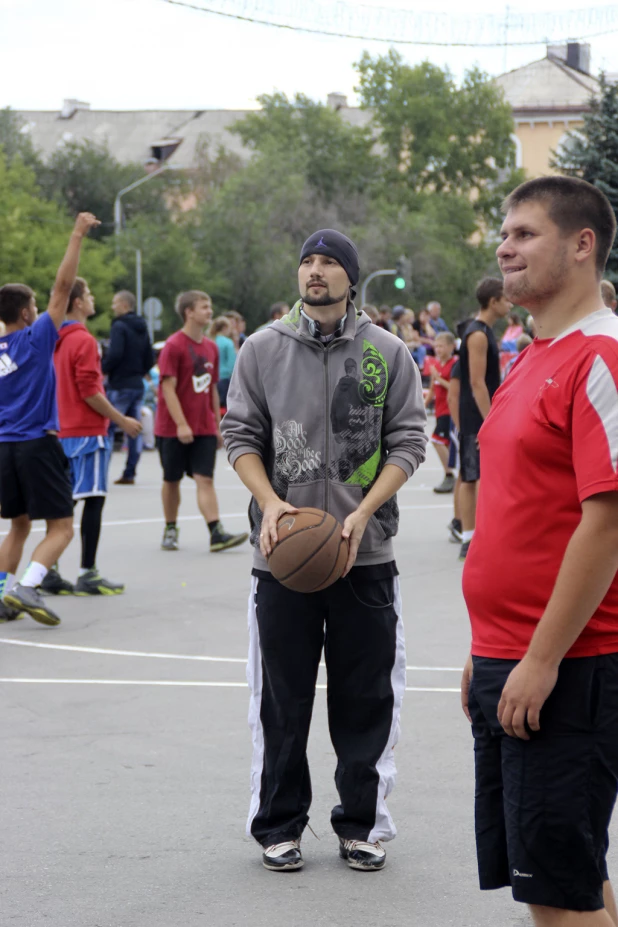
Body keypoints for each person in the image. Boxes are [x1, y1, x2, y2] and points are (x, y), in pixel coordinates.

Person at [221, 228, 427, 873]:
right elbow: (239, 434)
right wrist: (271, 503)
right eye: (308, 261)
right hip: (284, 555)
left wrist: (366, 511)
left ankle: (361, 824)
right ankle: (279, 825)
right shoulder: (260, 349)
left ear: (350, 278)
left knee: (366, 697)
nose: (315, 271)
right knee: (282, 699)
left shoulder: (388, 352)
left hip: (365, 556)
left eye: (329, 263)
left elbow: (409, 441)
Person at [461, 175, 618, 927]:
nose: (504, 245)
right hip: (511, 656)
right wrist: (485, 648)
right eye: (505, 232)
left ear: (582, 245)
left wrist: (542, 657)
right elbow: (517, 513)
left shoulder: (601, 358)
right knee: (566, 882)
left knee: (559, 900)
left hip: (570, 668)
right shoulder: (531, 354)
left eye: (525, 233)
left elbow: (609, 521)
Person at [0, 212, 100, 626]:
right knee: (61, 527)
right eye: (36, 308)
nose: (43, 311)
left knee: (19, 525)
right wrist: (76, 235)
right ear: (27, 314)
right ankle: (27, 585)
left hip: (4, 447)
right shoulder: (36, 338)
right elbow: (62, 288)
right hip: (37, 443)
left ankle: (3, 595)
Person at [40, 277, 142, 597]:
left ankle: (48, 569)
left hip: (59, 429)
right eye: (89, 294)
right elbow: (89, 391)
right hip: (86, 431)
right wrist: (121, 420)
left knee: (63, 502)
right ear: (79, 302)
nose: (94, 298)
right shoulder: (83, 340)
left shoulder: (52, 338)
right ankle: (88, 572)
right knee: (94, 500)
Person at [155, 290, 248, 554]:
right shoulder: (173, 346)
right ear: (189, 312)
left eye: (209, 306)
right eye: (204, 307)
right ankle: (170, 528)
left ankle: (216, 532)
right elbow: (168, 389)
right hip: (173, 428)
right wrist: (181, 424)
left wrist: (218, 423)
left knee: (204, 478)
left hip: (203, 426)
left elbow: (212, 389)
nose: (210, 311)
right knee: (171, 479)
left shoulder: (211, 347)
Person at [457, 278, 511, 560]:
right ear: (493, 302)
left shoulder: (485, 331)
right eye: (506, 299)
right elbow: (477, 383)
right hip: (476, 415)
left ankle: (482, 533)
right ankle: (468, 537)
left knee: (484, 474)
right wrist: (490, 421)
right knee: (471, 474)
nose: (510, 303)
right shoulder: (477, 334)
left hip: (481, 414)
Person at [102, 290, 154, 485]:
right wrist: (139, 371)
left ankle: (101, 473)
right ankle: (130, 472)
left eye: (115, 303)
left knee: (109, 426)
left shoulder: (119, 326)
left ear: (124, 305)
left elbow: (115, 353)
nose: (112, 306)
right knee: (134, 429)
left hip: (120, 383)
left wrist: (104, 368)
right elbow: (149, 357)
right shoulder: (142, 327)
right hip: (137, 384)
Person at [424, 331, 457, 493]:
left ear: (451, 347)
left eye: (442, 346)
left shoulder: (455, 365)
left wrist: (440, 378)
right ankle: (451, 472)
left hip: (450, 410)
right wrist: (423, 406)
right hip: (439, 410)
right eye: (436, 346)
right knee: (443, 442)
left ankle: (450, 474)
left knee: (437, 441)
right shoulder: (436, 366)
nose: (438, 349)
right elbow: (432, 390)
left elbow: (455, 388)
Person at [446, 360, 462, 542]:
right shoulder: (460, 365)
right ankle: (459, 522)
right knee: (465, 476)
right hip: (463, 426)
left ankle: (460, 522)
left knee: (465, 476)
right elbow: (452, 396)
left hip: (466, 425)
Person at [210, 316, 236, 409]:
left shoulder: (210, 341)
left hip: (211, 380)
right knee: (225, 408)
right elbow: (231, 364)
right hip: (224, 379)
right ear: (225, 328)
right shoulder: (228, 343)